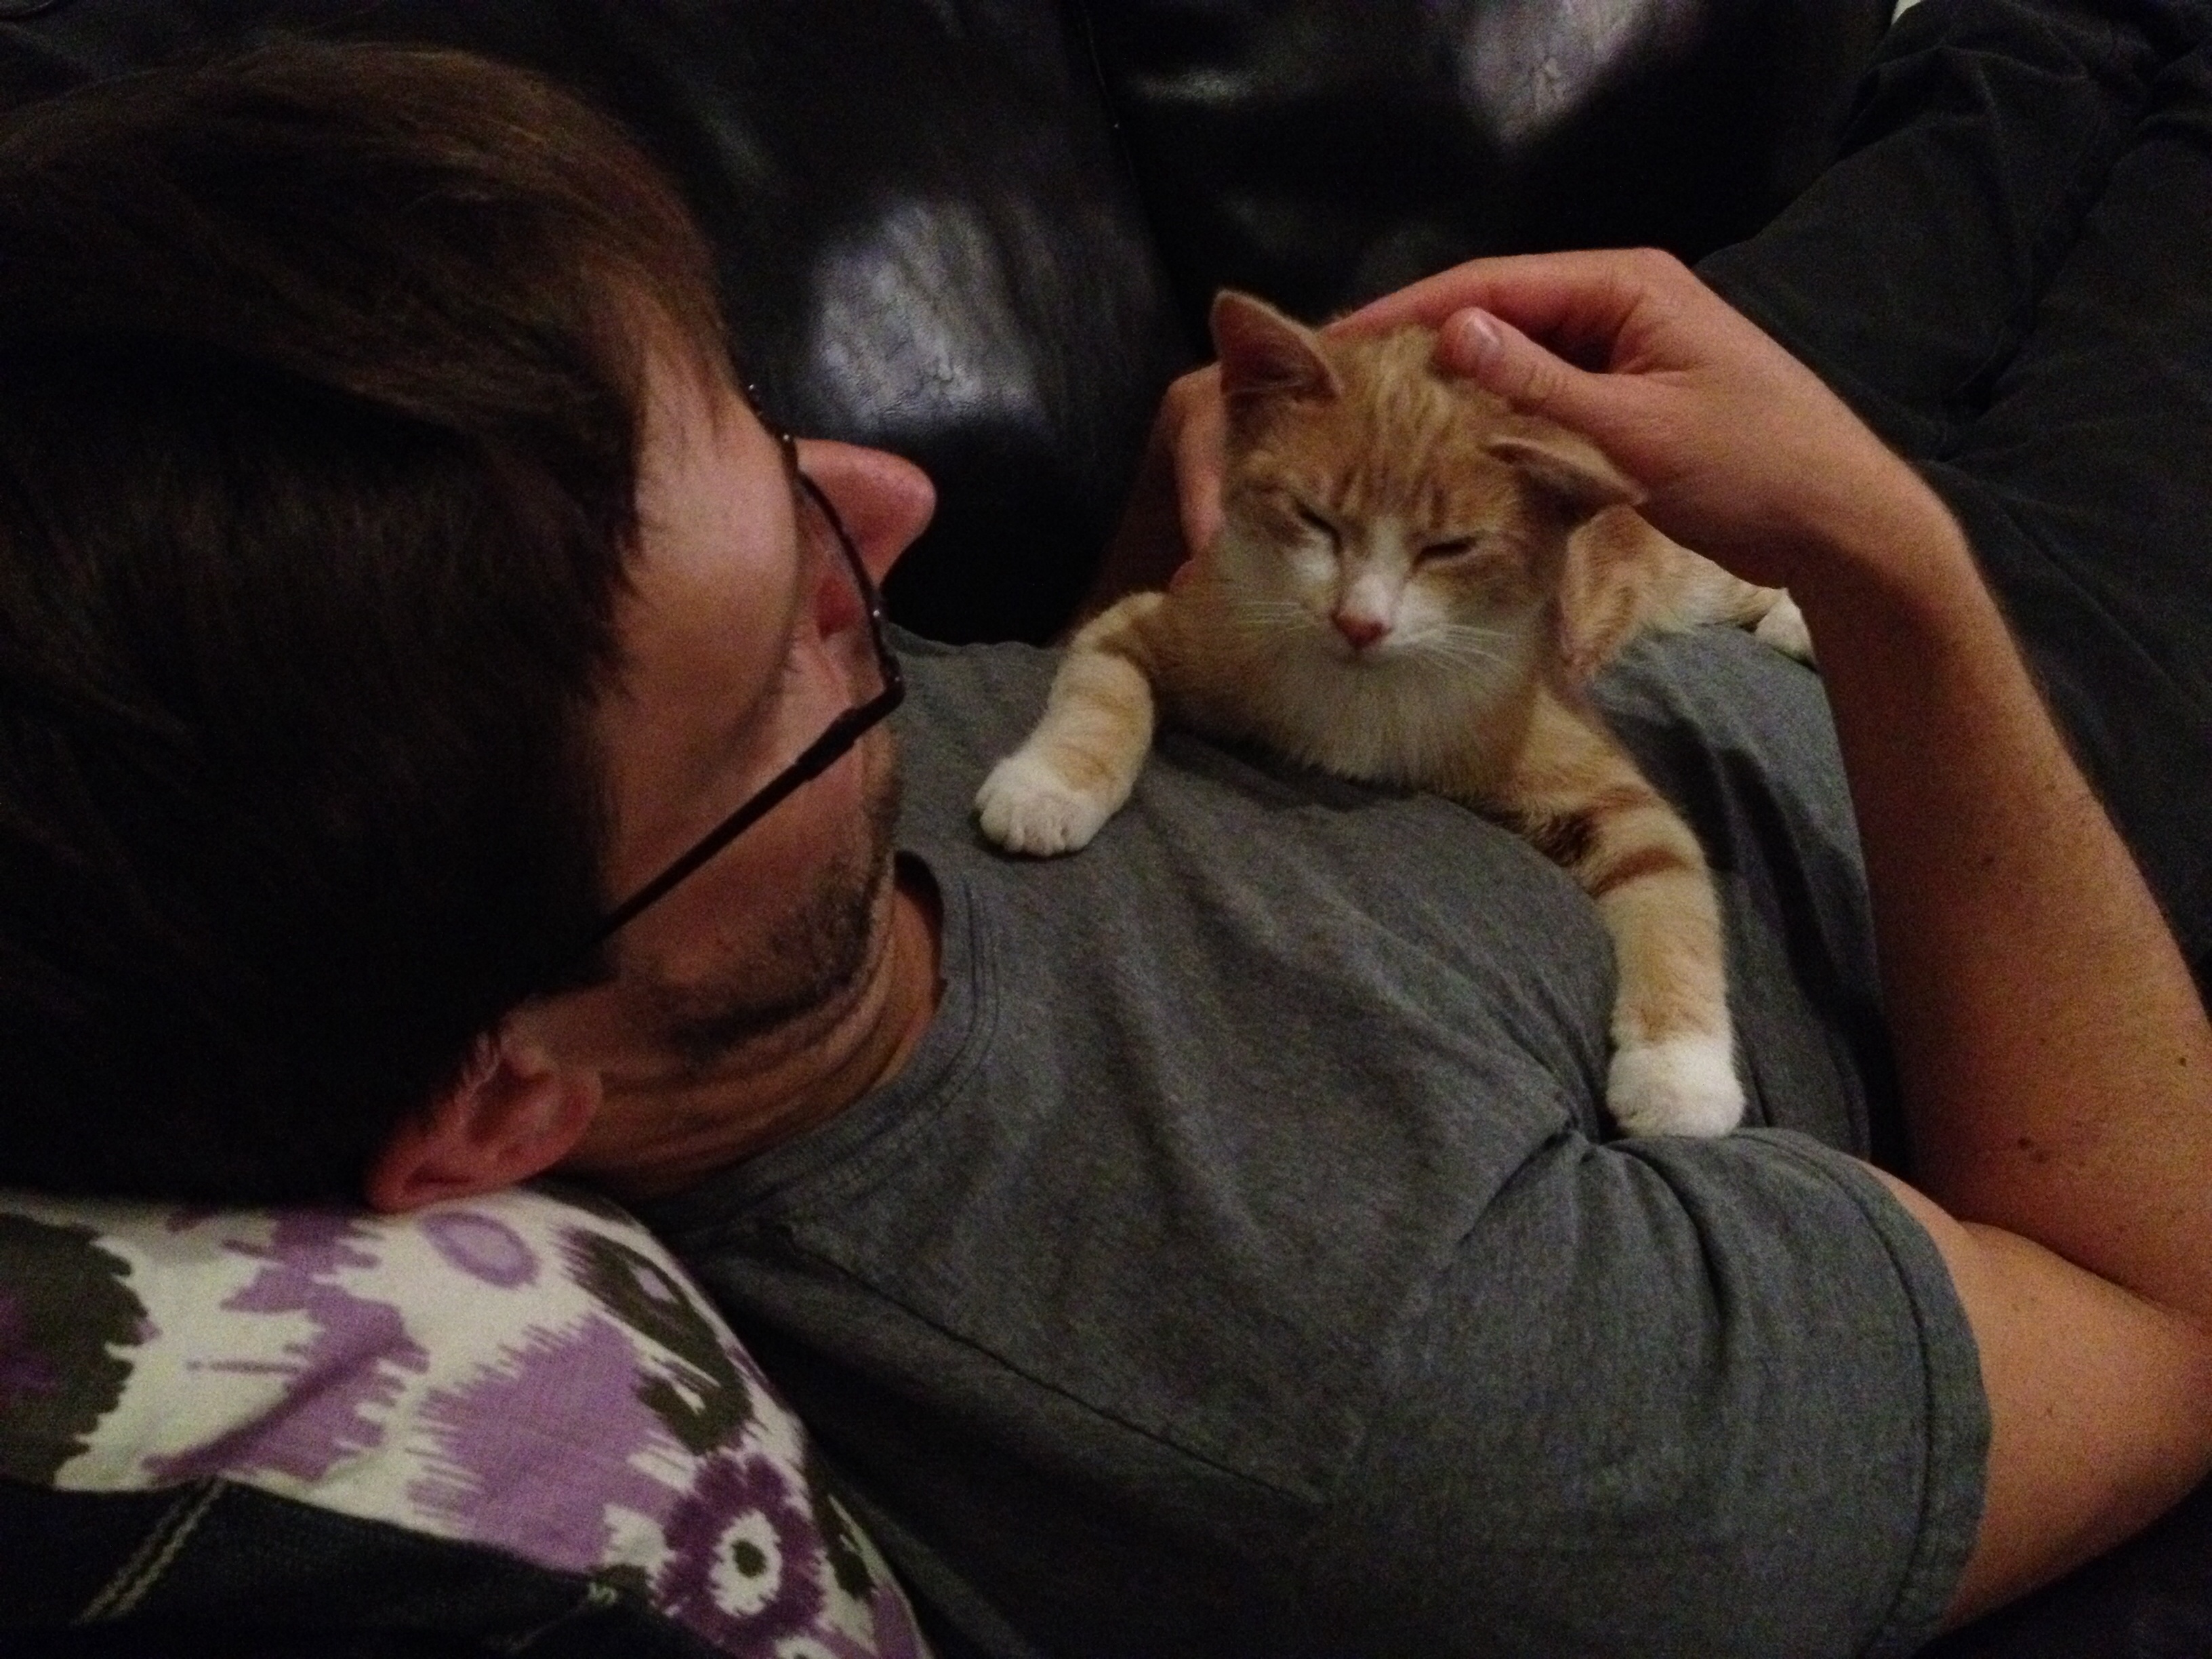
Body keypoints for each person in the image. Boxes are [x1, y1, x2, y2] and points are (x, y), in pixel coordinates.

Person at [0, 7, 2207, 1658]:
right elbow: (2163, 1314)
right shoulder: (1399, 1420)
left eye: (771, 434)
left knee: (2009, 89)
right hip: (1997, 793)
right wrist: (1886, 566)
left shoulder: (693, 855)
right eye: (801, 632)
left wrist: (1193, 541)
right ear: (506, 1103)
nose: (897, 508)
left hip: (1576, 567)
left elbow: (1117, 878)